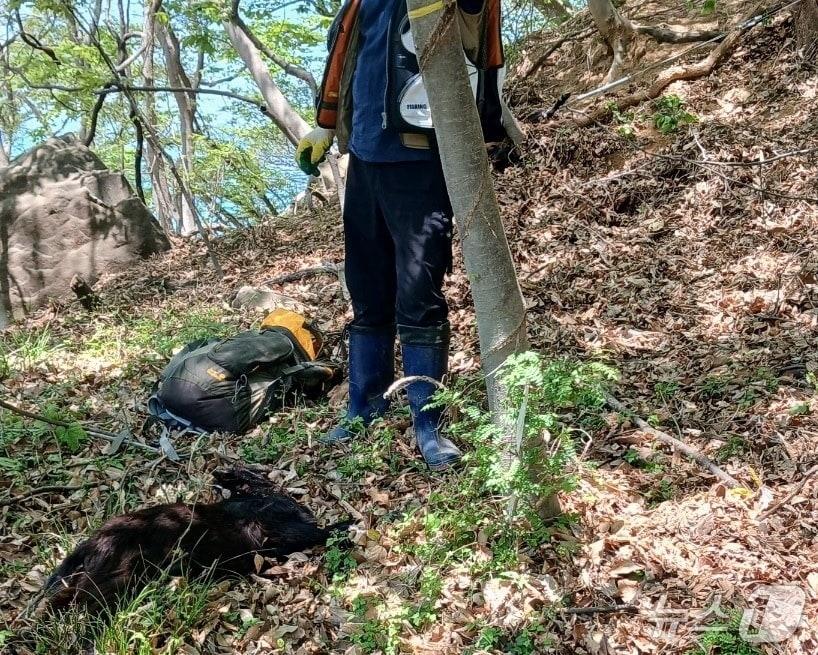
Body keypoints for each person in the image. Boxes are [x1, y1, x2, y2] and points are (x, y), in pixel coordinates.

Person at [295, 0, 507, 471]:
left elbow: (475, 34)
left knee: (419, 295)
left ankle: (429, 424)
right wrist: (326, 125)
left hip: (420, 161)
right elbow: (347, 57)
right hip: (364, 163)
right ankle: (363, 409)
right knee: (367, 292)